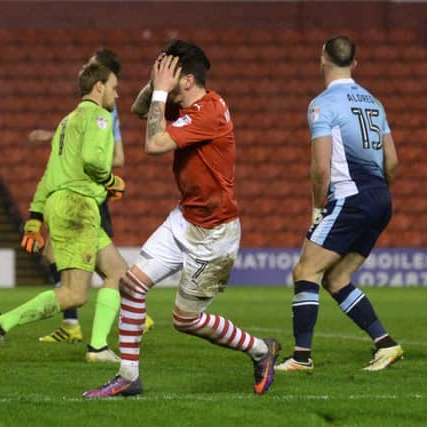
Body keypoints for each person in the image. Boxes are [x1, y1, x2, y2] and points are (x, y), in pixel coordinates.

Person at [83, 40, 280, 398]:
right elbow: (140, 109)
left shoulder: (209, 111)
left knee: (184, 320)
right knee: (132, 284)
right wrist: (156, 84)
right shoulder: (184, 102)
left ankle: (261, 350)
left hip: (214, 232)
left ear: (186, 80)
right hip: (185, 218)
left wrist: (162, 89)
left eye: (171, 72)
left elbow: (153, 144)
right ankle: (129, 376)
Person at [0, 62, 126, 365]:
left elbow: (48, 175)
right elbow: (92, 160)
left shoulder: (66, 122)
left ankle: (98, 347)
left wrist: (34, 219)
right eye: (114, 86)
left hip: (63, 202)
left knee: (117, 271)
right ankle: (0, 323)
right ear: (99, 86)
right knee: (75, 295)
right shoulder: (99, 117)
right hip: (78, 205)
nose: (117, 93)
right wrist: (111, 180)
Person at [275, 35, 403, 372]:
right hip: (380, 198)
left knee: (305, 270)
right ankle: (386, 344)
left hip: (349, 197)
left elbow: (320, 167)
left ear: (322, 59)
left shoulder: (323, 104)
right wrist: (378, 194)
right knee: (336, 279)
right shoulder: (375, 103)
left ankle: (301, 357)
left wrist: (319, 207)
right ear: (355, 63)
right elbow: (392, 162)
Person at [28, 48, 154, 344]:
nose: (84, 67)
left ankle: (120, 322)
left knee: (103, 267)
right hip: (81, 193)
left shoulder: (106, 113)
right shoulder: (86, 113)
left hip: (89, 196)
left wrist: (102, 177)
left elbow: (116, 157)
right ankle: (84, 327)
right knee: (78, 260)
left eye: (90, 65)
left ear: (101, 77)